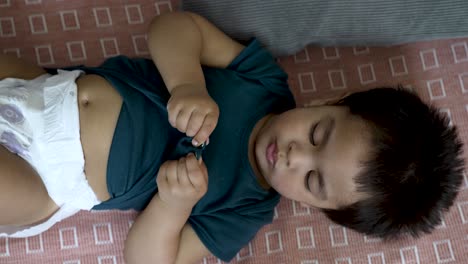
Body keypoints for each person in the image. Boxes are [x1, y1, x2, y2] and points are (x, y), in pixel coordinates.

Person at [0, 11, 463, 263]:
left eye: (313, 181)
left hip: (49, 181)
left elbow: (147, 259)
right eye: (318, 133)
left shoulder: (245, 210)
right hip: (44, 88)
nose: (296, 156)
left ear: (318, 208)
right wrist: (187, 83)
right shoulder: (263, 84)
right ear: (333, 102)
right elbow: (174, 27)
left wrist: (173, 205)